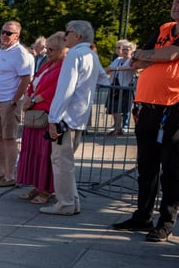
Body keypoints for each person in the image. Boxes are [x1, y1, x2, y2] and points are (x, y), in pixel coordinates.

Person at [113, 0, 179, 242]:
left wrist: (151, 55)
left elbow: (170, 55)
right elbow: (135, 62)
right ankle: (142, 215)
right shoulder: (164, 28)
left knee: (171, 169)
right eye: (174, 1)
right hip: (148, 107)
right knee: (147, 166)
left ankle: (166, 222)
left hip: (174, 108)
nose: (176, 6)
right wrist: (154, 55)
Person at [38, 21, 102, 216]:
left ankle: (65, 202)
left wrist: (53, 118)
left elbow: (65, 89)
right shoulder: (91, 54)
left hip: (66, 118)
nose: (65, 37)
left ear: (77, 36)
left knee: (60, 162)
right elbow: (102, 79)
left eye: (68, 33)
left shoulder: (74, 54)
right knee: (67, 161)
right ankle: (71, 200)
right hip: (79, 117)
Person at [16, 32, 67, 204]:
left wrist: (34, 99)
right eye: (47, 49)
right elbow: (33, 83)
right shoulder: (47, 65)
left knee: (46, 153)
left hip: (45, 115)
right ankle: (37, 185)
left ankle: (47, 189)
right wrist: (28, 97)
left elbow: (54, 90)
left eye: (52, 49)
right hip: (34, 114)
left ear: (62, 49)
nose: (48, 52)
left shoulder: (63, 67)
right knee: (34, 151)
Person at [0, 21, 34, 187]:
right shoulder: (2, 50)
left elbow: (26, 78)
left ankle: (10, 175)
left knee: (9, 138)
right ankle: (1, 171)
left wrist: (14, 100)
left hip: (8, 102)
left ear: (17, 36)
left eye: (9, 33)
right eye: (3, 31)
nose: (4, 35)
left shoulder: (20, 53)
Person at [105, 41, 136, 135]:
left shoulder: (132, 60)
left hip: (125, 86)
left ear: (132, 50)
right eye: (124, 49)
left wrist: (114, 69)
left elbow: (129, 68)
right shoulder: (118, 59)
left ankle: (121, 127)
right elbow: (109, 68)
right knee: (114, 108)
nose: (125, 51)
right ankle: (117, 127)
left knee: (121, 108)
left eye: (128, 49)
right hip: (115, 85)